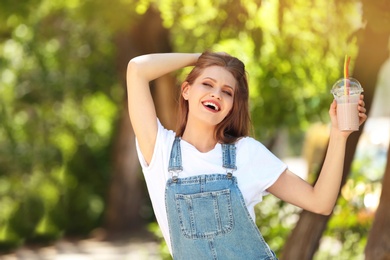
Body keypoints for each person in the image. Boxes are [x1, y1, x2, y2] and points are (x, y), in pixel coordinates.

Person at [126, 52, 367, 260]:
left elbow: (320, 202)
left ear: (232, 105)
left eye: (227, 91)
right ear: (186, 90)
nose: (216, 94)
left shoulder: (246, 153)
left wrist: (339, 135)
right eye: (207, 84)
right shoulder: (160, 150)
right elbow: (137, 69)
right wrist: (203, 57)